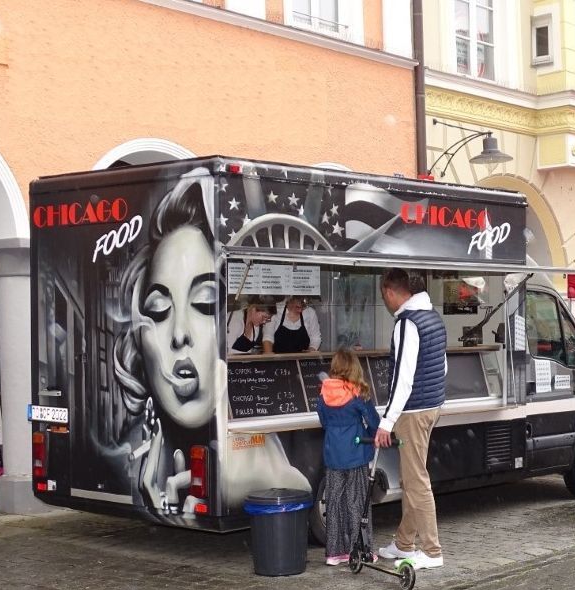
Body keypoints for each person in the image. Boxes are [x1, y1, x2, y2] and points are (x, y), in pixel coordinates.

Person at [114, 170, 310, 516]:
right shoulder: (146, 458)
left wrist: (271, 477)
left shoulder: (257, 445)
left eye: (204, 303)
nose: (179, 334)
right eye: (158, 309)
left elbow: (300, 488)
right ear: (139, 342)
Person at [375, 268, 447, 571]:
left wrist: (386, 422)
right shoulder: (433, 317)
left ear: (391, 292)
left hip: (413, 411)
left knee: (416, 481)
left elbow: (402, 380)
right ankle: (404, 542)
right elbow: (442, 367)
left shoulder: (406, 323)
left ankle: (432, 551)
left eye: (384, 296)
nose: (385, 302)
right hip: (431, 406)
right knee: (411, 476)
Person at [316, 349, 379, 566]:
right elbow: (373, 422)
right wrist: (372, 437)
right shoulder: (358, 392)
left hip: (333, 454)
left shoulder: (323, 393)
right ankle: (362, 550)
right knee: (357, 502)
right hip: (355, 452)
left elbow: (324, 422)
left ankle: (335, 552)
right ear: (353, 367)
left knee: (334, 502)